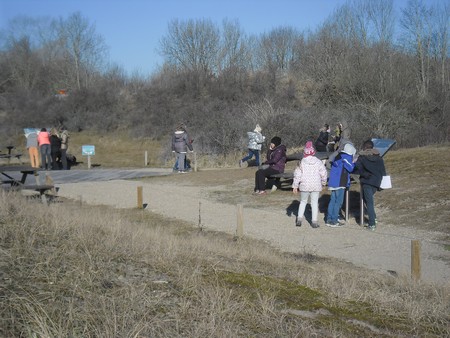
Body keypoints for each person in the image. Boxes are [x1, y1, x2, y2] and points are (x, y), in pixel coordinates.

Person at [292, 141, 327, 228]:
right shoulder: (319, 162)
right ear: (313, 152)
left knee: (303, 202)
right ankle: (314, 222)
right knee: (314, 203)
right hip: (316, 185)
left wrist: (295, 186)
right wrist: (323, 183)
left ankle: (299, 219)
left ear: (304, 152)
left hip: (304, 186)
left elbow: (297, 175)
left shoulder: (301, 162)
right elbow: (324, 173)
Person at [353, 139, 386, 231]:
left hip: (367, 182)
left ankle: (372, 224)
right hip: (376, 182)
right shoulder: (379, 157)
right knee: (368, 201)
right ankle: (374, 219)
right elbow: (383, 171)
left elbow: (358, 169)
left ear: (364, 147)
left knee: (369, 203)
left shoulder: (362, 157)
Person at [326, 142, 356, 227]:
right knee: (338, 202)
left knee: (332, 200)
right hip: (340, 182)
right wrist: (354, 162)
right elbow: (351, 168)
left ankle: (329, 218)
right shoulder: (347, 157)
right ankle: (334, 220)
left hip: (333, 182)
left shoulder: (338, 156)